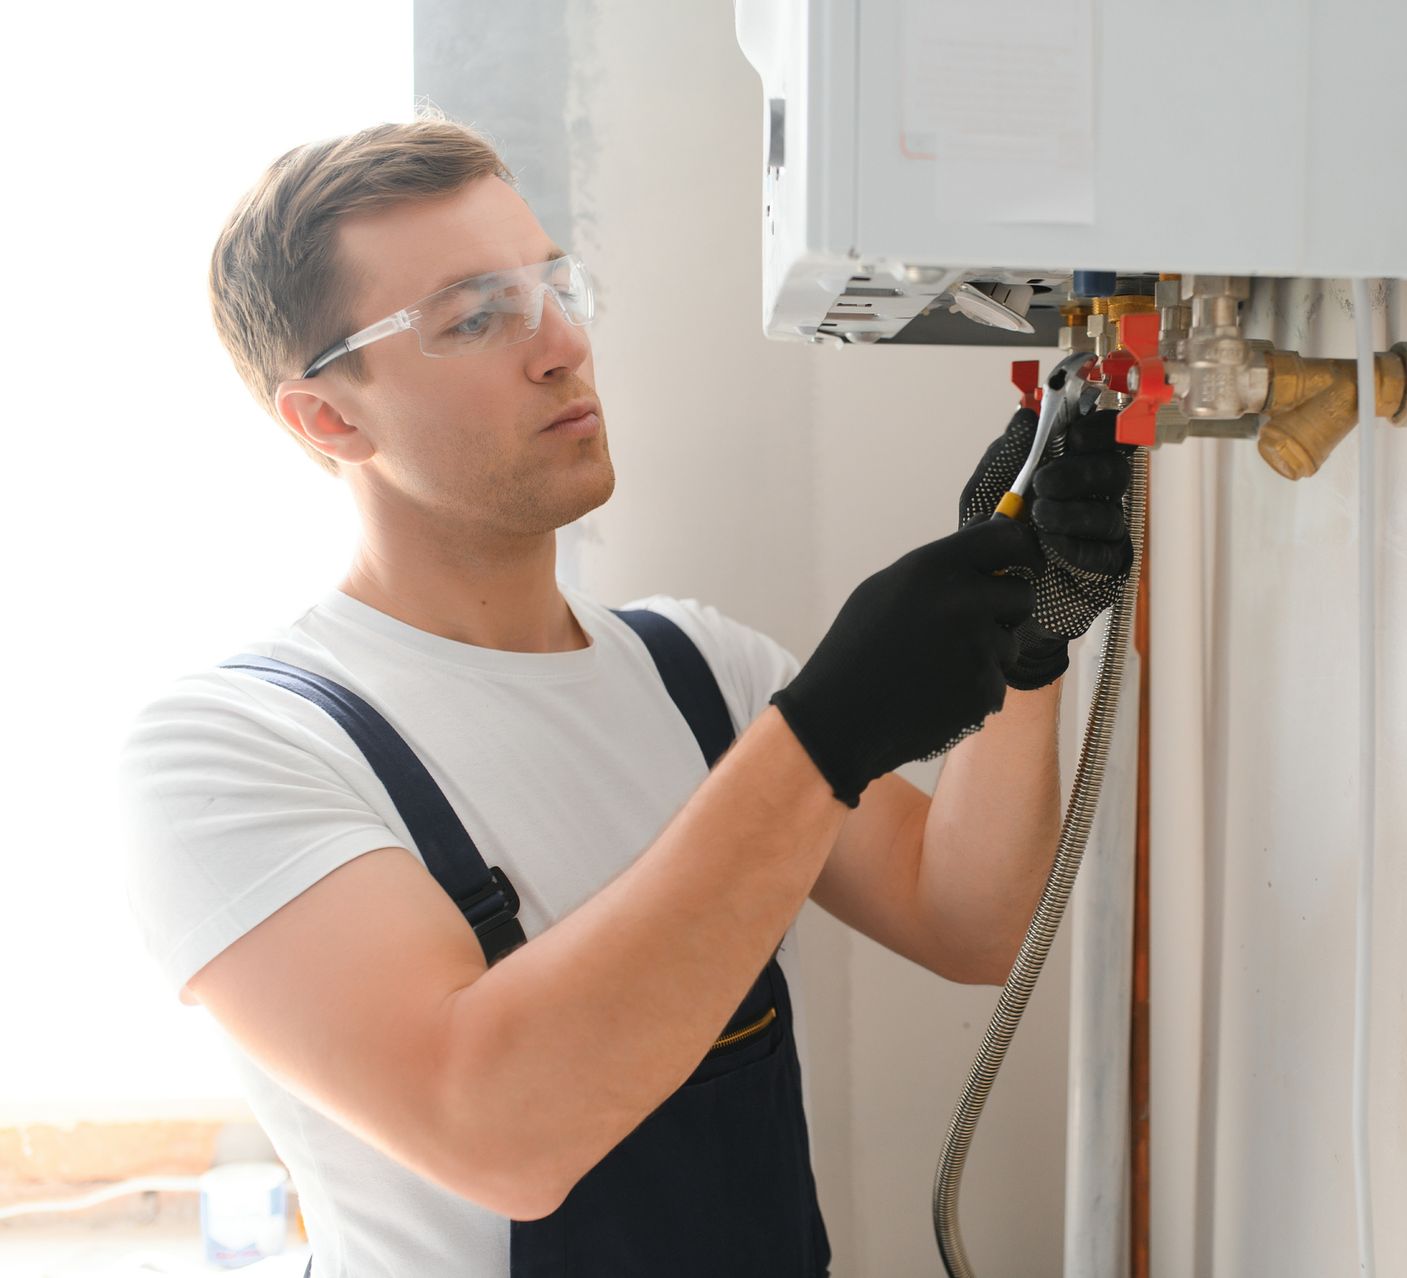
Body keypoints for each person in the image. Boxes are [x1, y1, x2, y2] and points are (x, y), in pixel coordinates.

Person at [116, 114, 1133, 1277]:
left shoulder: (697, 669)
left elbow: (971, 924)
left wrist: (1027, 641)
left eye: (553, 287)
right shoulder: (229, 753)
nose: (561, 345)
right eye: (475, 318)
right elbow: (497, 1132)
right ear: (328, 416)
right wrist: (824, 736)